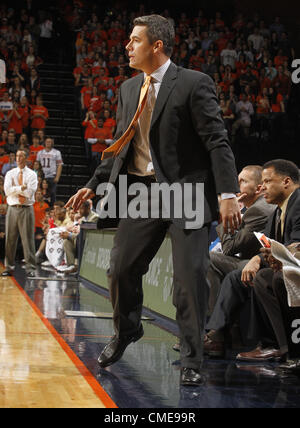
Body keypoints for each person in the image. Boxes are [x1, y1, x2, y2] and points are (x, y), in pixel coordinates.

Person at [66, 14, 241, 387]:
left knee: (189, 278)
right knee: (120, 268)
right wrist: (95, 183)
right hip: (143, 193)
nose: (127, 46)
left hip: (187, 193)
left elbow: (217, 141)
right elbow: (121, 143)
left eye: (134, 40)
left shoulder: (194, 83)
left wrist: (227, 194)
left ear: (156, 45)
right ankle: (128, 330)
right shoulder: (130, 89)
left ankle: (193, 357)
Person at [205, 159, 300, 360]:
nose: (262, 187)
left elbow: (296, 245)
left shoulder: (291, 203)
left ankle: (279, 347)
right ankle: (224, 334)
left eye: (267, 181)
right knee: (258, 276)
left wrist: (225, 216)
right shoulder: (278, 210)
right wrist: (261, 258)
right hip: (281, 265)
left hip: (291, 267)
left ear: (286, 181)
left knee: (265, 277)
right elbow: (266, 245)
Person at [207, 165, 276, 314]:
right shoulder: (254, 208)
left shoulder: (259, 210)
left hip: (261, 264)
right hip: (252, 260)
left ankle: (214, 323)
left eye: (243, 181)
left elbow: (229, 248)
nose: (237, 186)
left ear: (258, 189)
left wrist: (224, 214)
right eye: (237, 181)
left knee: (209, 258)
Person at [1, 148, 38, 277]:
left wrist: (15, 190)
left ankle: (31, 268)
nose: (18, 158)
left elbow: (29, 192)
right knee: (10, 239)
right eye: (17, 156)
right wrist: (20, 188)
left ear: (26, 158)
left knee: (27, 240)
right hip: (12, 208)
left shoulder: (32, 174)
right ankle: (9, 267)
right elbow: (7, 191)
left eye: (21, 156)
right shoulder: (10, 173)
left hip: (26, 209)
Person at [36, 137, 63, 206]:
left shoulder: (56, 152)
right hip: (42, 176)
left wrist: (57, 177)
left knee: (52, 194)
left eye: (50, 142)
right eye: (47, 141)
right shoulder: (40, 152)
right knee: (40, 193)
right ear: (44, 143)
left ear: (52, 143)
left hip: (52, 176)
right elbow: (37, 164)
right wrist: (38, 175)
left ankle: (51, 208)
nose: (48, 143)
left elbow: (59, 165)